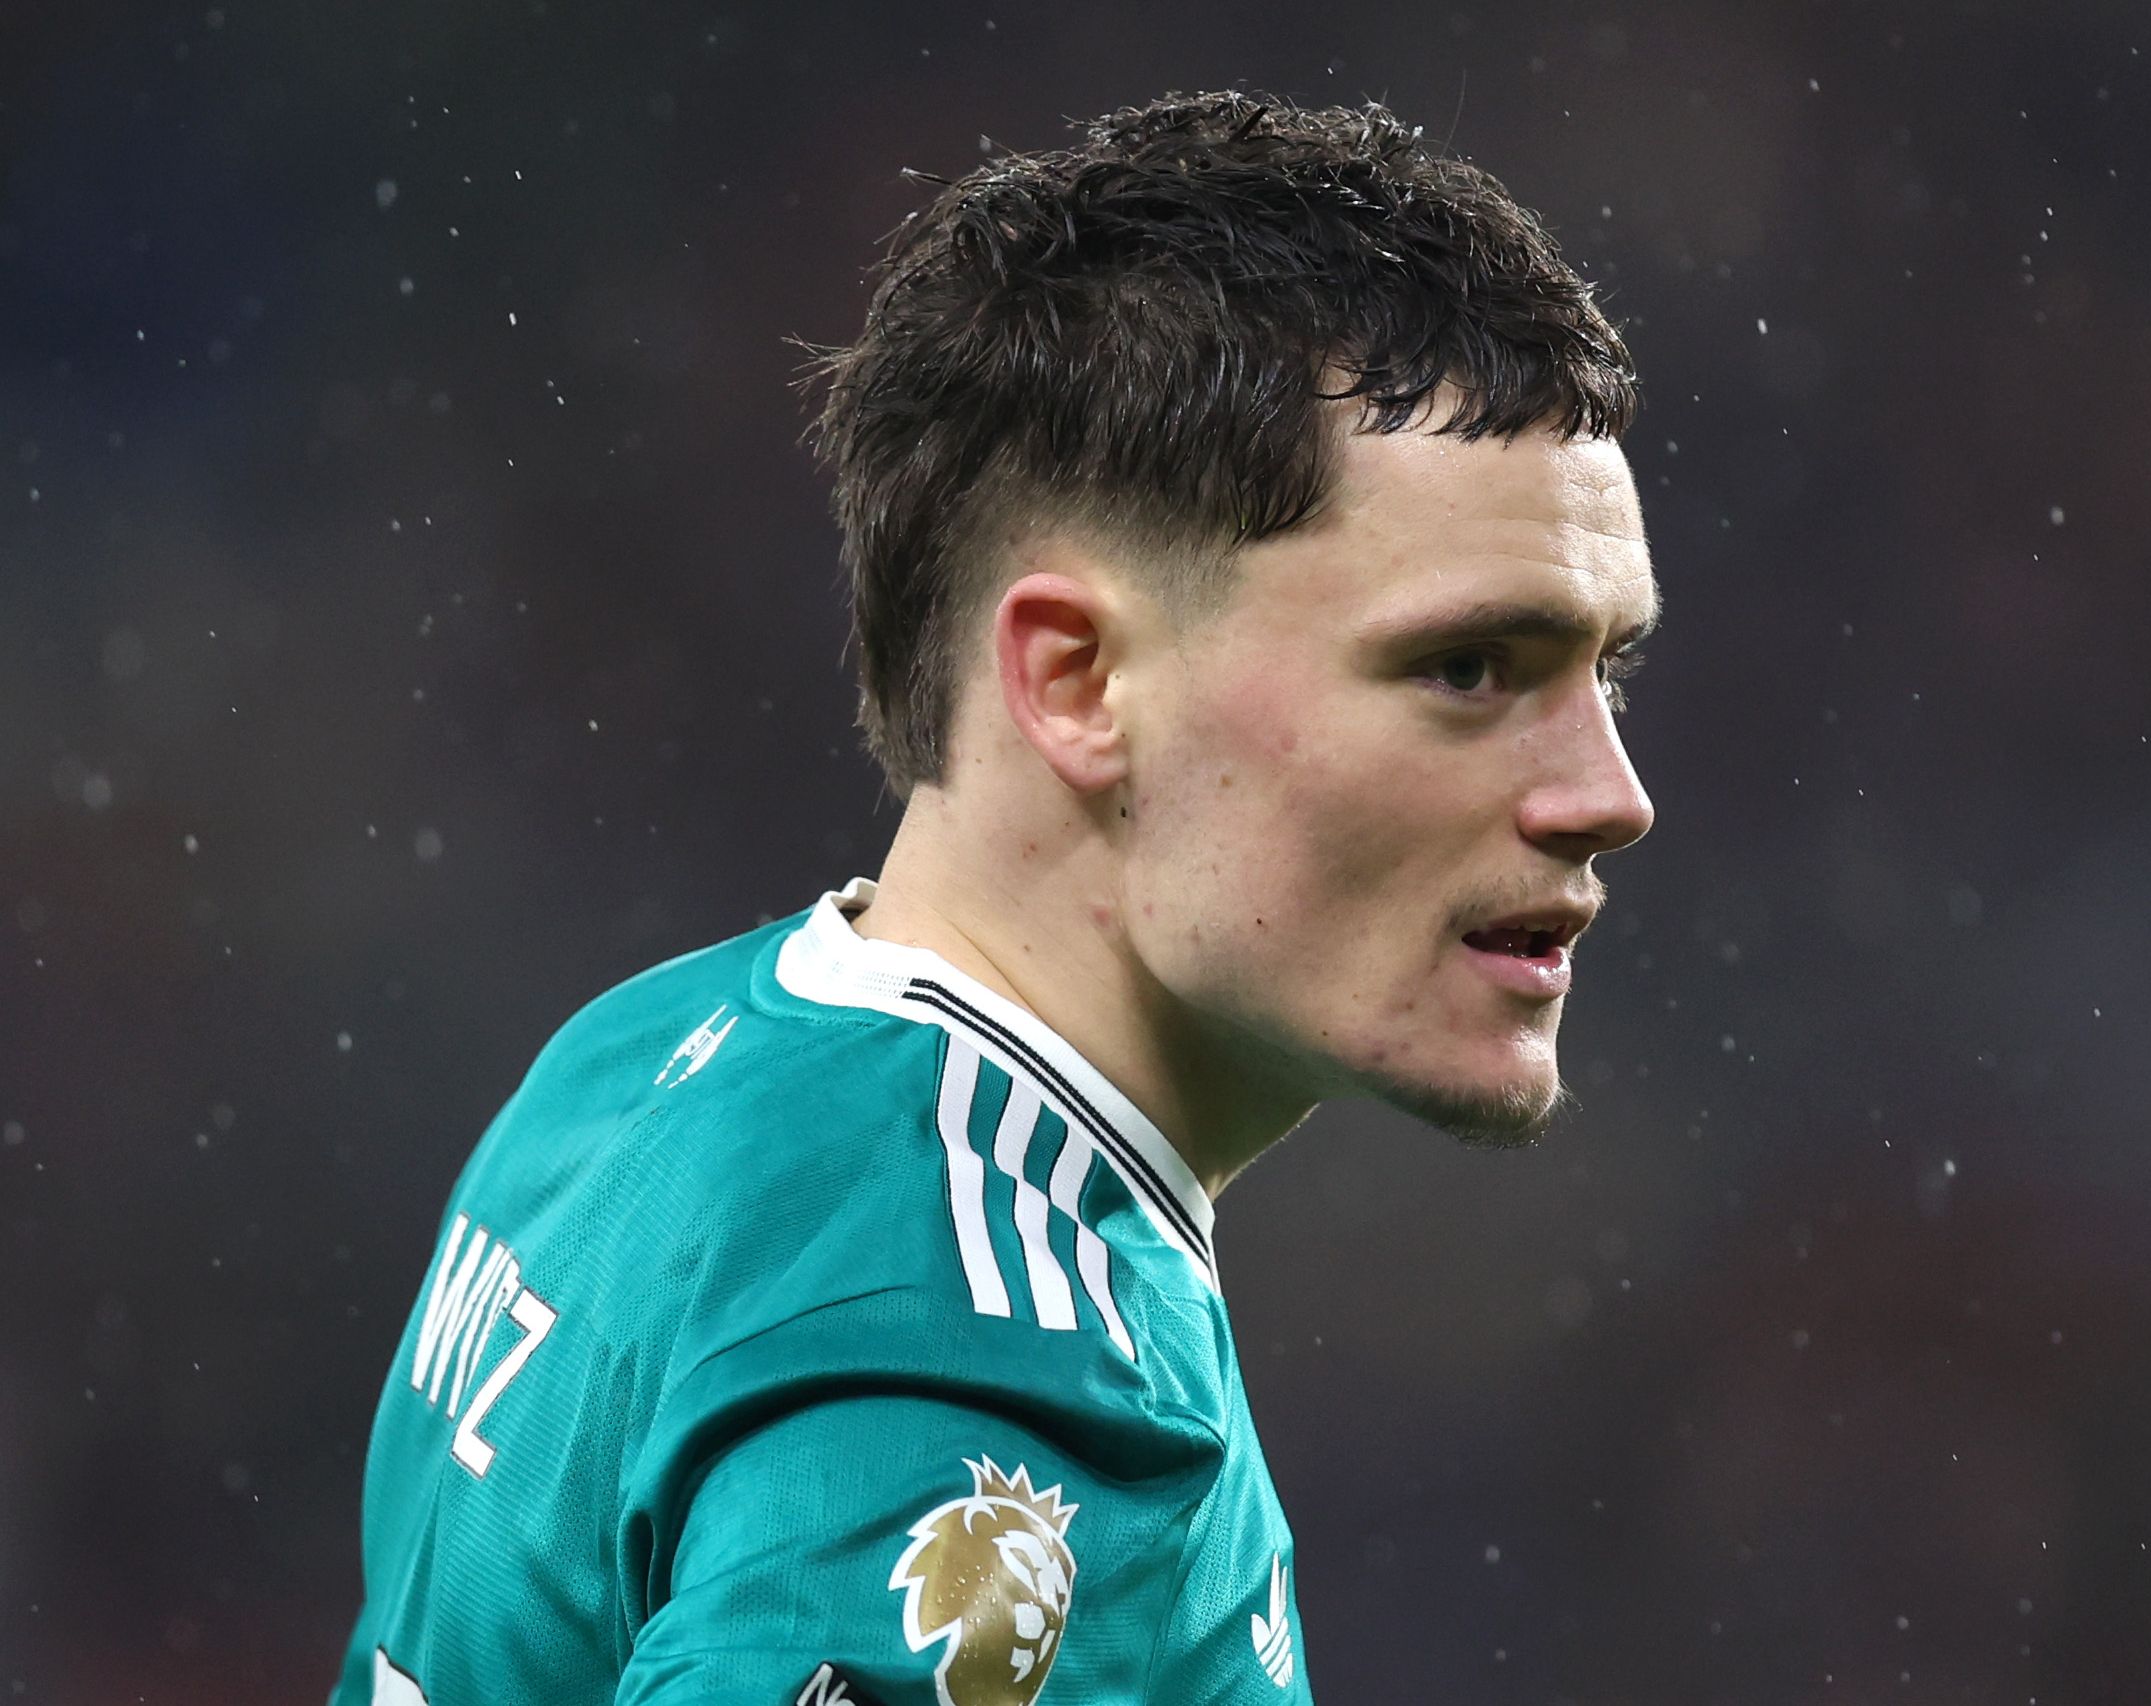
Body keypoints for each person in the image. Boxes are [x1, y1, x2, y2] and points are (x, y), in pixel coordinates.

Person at [325, 90, 1656, 1706]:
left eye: (1606, 671)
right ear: (1078, 681)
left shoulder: (644, 1059)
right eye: (1466, 666)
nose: (1607, 793)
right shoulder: (985, 1385)